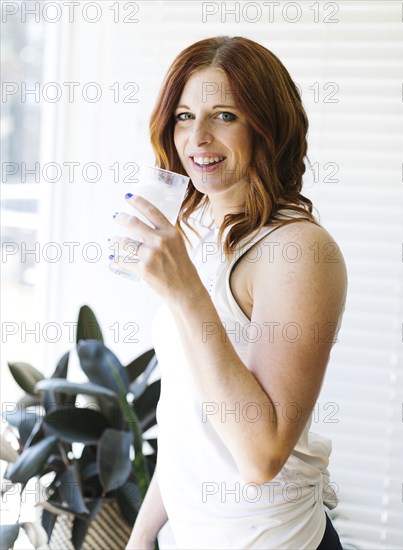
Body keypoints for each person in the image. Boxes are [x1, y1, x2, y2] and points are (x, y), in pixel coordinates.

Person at [111, 36, 347, 550]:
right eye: (182, 115)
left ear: (267, 125)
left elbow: (260, 457)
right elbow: (189, 421)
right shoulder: (195, 231)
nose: (197, 137)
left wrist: (186, 294)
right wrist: (142, 535)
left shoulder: (299, 250)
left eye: (224, 116)